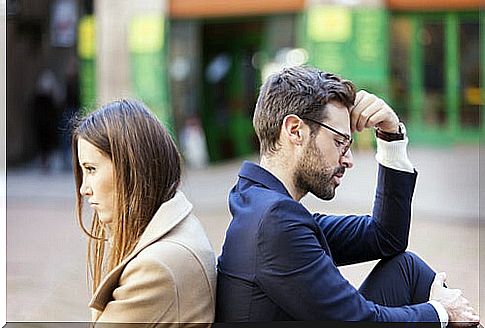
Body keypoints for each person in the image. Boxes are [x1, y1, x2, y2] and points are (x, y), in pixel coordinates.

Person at [216, 66, 479, 326]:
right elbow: (358, 320)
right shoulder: (275, 222)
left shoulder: (264, 206)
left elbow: (386, 237)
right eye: (339, 141)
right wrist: (442, 313)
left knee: (406, 269)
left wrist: (390, 135)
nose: (349, 160)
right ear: (295, 130)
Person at [72, 99, 216, 326]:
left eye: (91, 169)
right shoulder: (174, 225)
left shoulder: (156, 267)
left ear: (130, 168)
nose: (84, 189)